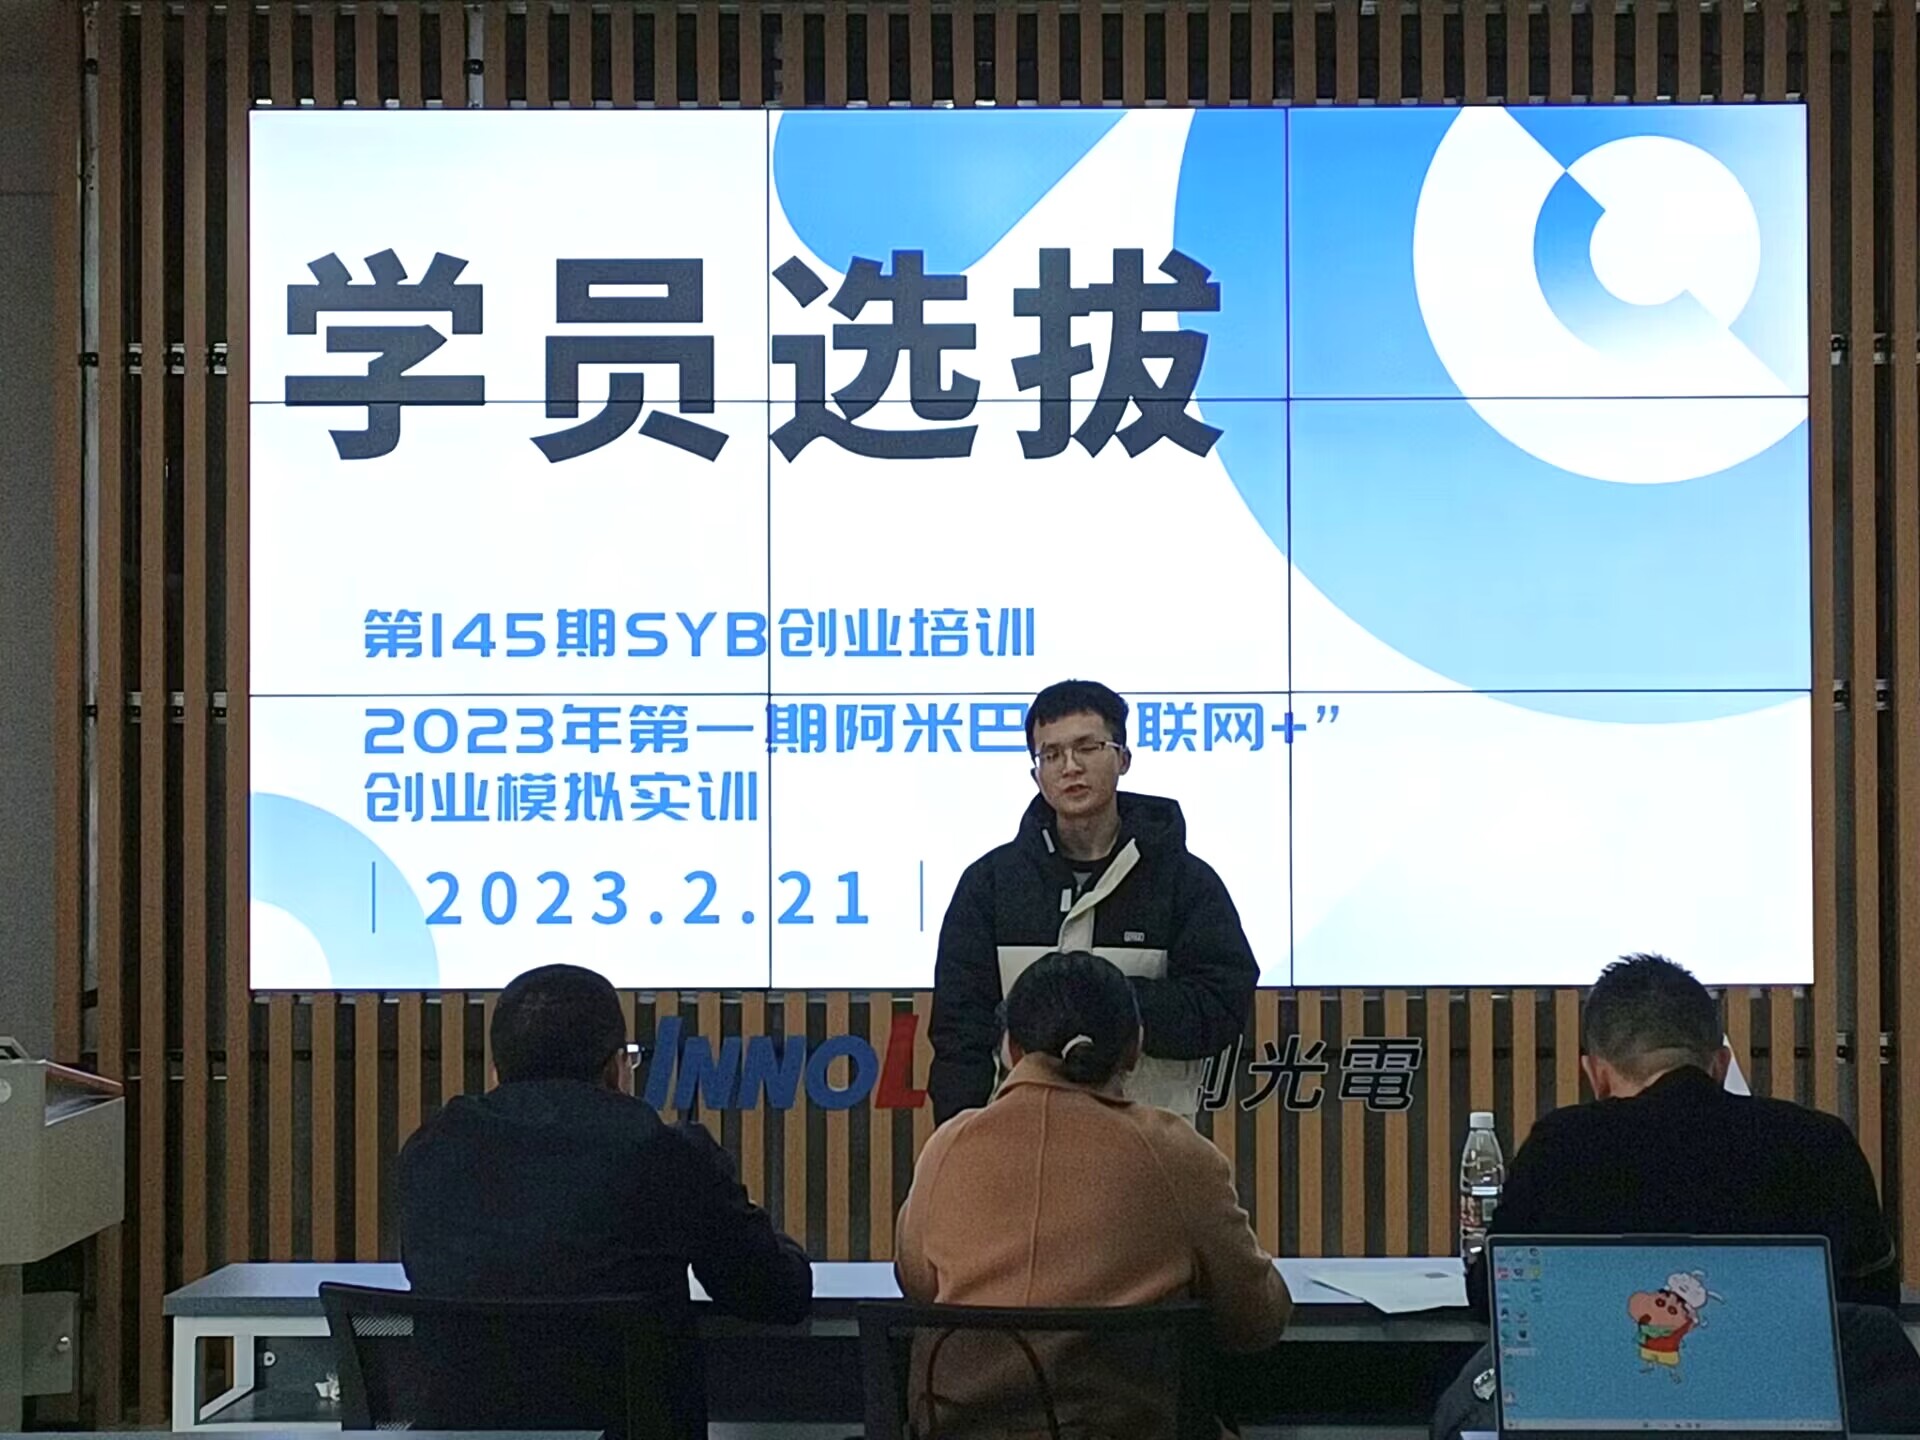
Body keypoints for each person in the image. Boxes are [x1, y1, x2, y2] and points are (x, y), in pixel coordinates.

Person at [896, 951, 1293, 1439]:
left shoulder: (948, 1147)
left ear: (1010, 1048)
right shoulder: (1175, 1153)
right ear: (1135, 1047)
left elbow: (915, 1282)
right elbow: (1254, 1320)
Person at [1465, 952, 1897, 1321]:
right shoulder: (1820, 1143)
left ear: (1597, 1075)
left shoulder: (1561, 1146)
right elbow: (1874, 1306)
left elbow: (1493, 1298)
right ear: (1720, 1064)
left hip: (1598, 1391)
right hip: (1791, 1393)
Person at [398, 963, 811, 1322]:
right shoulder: (669, 1157)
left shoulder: (429, 1154)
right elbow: (776, 1295)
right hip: (633, 1395)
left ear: (496, 1075)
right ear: (617, 1069)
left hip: (460, 1394)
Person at [929, 679, 1258, 1121]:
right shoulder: (989, 884)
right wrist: (963, 1137)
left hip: (1145, 1135)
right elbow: (959, 1032)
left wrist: (1109, 1005)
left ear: (1123, 758)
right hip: (1022, 1134)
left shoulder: (1185, 881)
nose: (1070, 767)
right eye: (1051, 754)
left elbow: (1221, 1007)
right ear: (1036, 774)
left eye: (1087, 747)